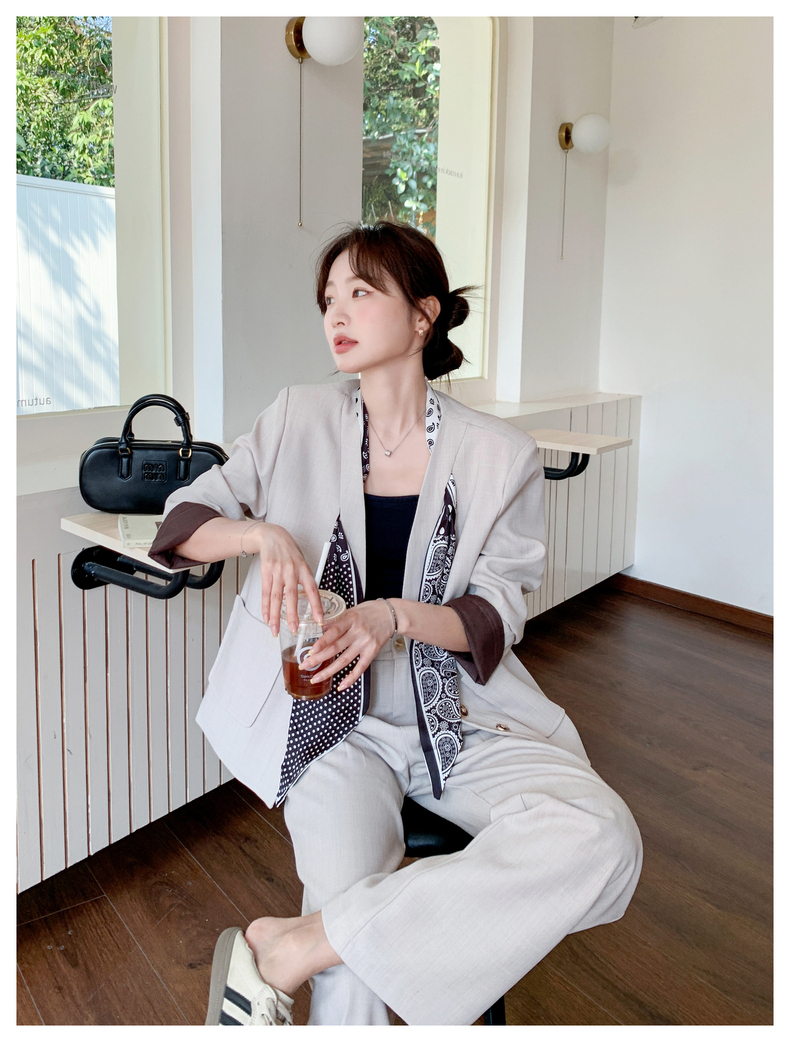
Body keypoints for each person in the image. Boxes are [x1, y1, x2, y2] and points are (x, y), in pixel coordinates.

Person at [149, 220, 643, 1027]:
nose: (335, 313)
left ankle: (291, 947)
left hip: (464, 719)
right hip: (331, 725)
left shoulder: (500, 455)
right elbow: (184, 521)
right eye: (327, 298)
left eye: (360, 291)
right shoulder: (296, 418)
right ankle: (333, 938)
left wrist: (392, 617)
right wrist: (259, 535)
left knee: (605, 839)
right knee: (353, 924)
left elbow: (494, 617)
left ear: (423, 315)